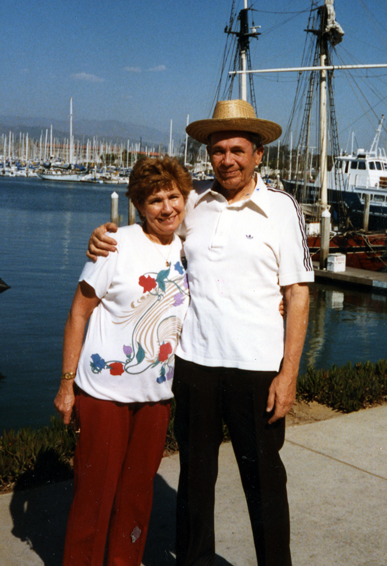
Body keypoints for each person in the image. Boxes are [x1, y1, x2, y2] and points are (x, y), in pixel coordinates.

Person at [87, 99, 314, 566]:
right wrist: (102, 237)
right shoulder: (193, 203)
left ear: (258, 154)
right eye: (217, 150)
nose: (226, 160)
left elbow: (297, 294)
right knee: (194, 482)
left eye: (237, 150)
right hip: (194, 366)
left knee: (265, 484)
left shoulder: (280, 207)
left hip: (257, 369)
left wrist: (288, 374)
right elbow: (151, 232)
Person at [54, 155, 191, 566]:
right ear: (139, 206)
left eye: (173, 197)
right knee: (94, 495)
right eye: (155, 200)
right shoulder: (115, 245)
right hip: (103, 394)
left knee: (136, 496)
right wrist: (66, 385)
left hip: (156, 397)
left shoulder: (190, 250)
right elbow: (78, 313)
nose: (167, 208)